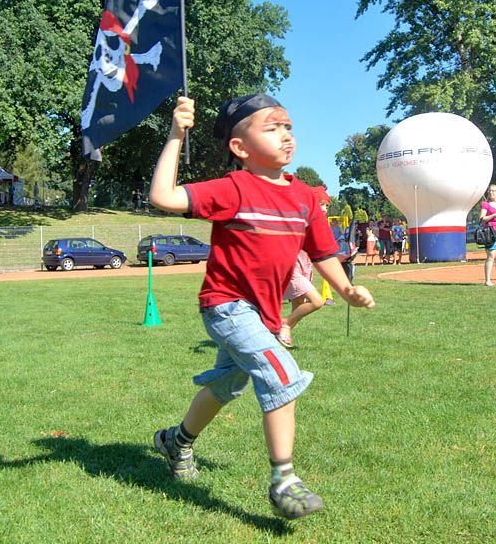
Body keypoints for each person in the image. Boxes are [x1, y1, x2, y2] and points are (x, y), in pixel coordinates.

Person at [148, 92, 374, 520]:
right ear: (240, 148)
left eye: (288, 127)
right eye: (272, 128)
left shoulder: (306, 197)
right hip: (227, 306)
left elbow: (323, 252)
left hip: (265, 314)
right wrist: (177, 134)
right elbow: (163, 195)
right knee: (281, 373)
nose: (286, 136)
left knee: (227, 385)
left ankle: (175, 442)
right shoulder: (233, 188)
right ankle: (284, 480)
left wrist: (345, 290)